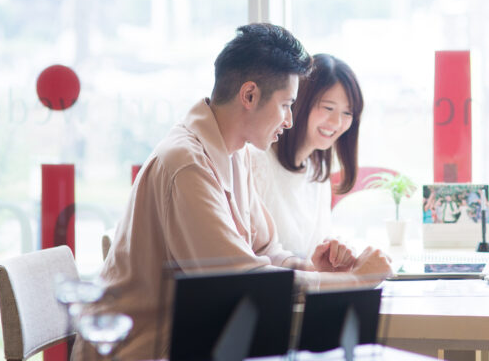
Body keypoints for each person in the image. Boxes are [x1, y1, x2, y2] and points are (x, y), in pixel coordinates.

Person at [81, 24, 391, 361]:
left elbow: (265, 251)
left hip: (199, 343)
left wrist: (312, 268)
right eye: (286, 104)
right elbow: (243, 282)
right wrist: (356, 282)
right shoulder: (187, 163)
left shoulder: (236, 150)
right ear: (249, 95)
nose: (289, 120)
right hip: (144, 351)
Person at [249, 53, 363, 258]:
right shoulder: (256, 161)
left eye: (347, 113)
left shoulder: (317, 174)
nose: (337, 122)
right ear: (300, 102)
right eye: (328, 108)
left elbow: (317, 251)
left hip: (307, 286)